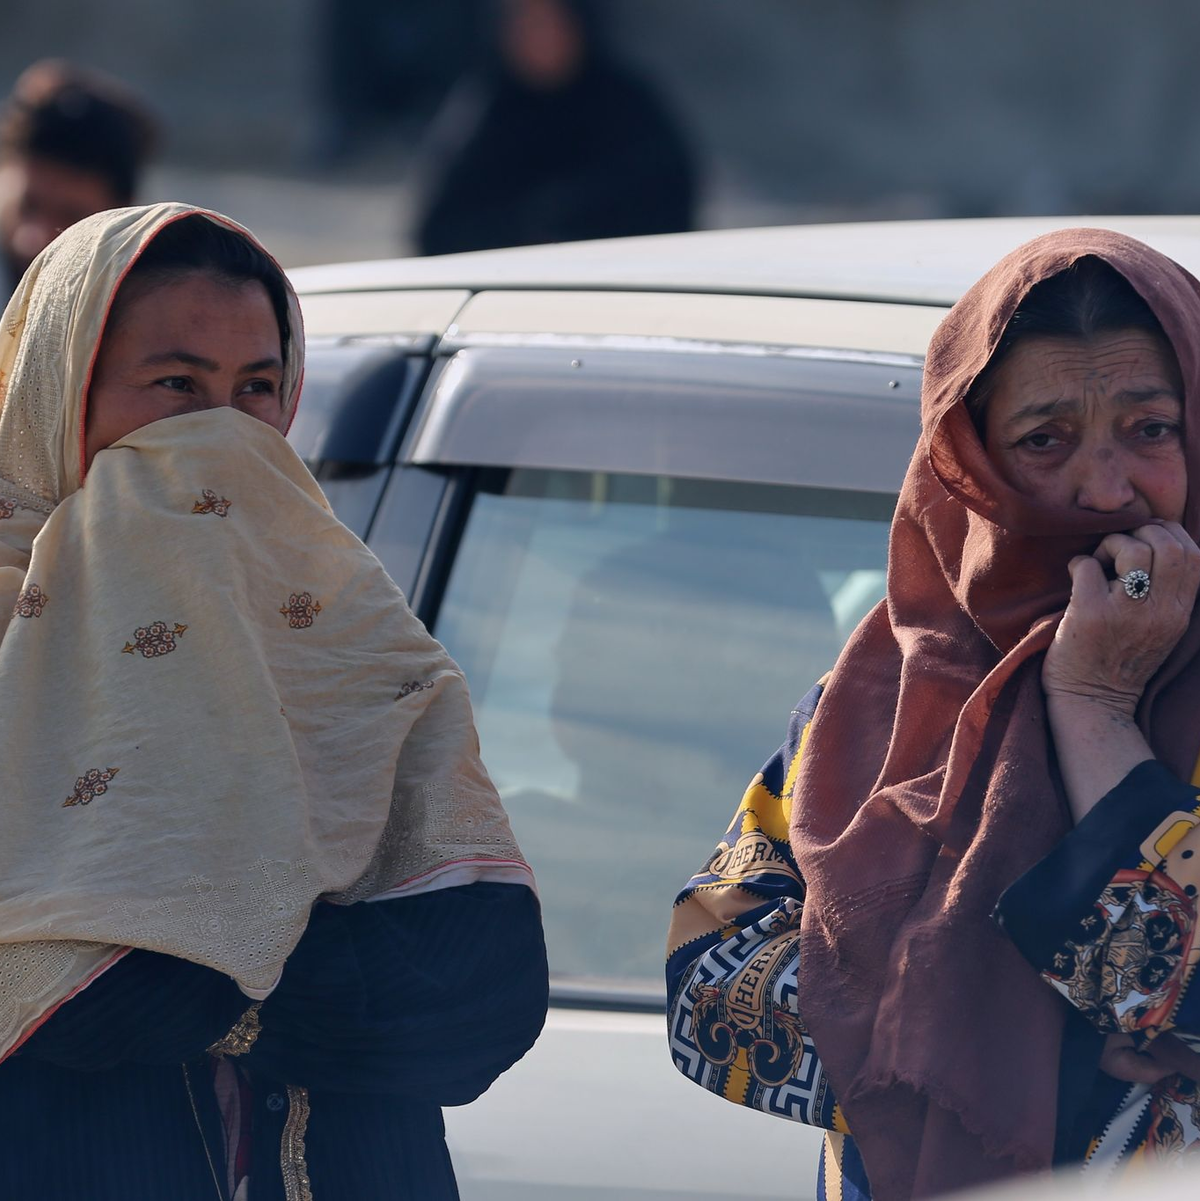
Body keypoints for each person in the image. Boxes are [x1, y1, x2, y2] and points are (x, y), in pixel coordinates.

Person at [0, 203, 548, 1200]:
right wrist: (310, 972)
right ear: (59, 396)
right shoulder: (10, 639)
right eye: (175, 385)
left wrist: (212, 981)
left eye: (256, 387)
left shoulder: (341, 629)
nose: (222, 432)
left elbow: (482, 995)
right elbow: (78, 1002)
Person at [666, 229, 1200, 1198]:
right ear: (970, 463)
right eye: (1044, 439)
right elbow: (710, 978)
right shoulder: (878, 696)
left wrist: (1094, 706)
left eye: (1150, 428)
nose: (1106, 485)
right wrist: (1081, 1045)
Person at [412, 0, 696, 256]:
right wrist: (527, 230)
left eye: (550, 23)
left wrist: (576, 215)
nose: (539, 39)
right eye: (525, 25)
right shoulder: (481, 113)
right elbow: (439, 230)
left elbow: (667, 195)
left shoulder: (627, 106)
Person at [0, 60, 159, 295]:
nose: (33, 240)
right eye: (27, 206)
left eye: (70, 219)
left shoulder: (145, 308)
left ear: (122, 218)